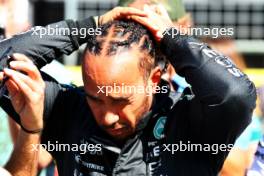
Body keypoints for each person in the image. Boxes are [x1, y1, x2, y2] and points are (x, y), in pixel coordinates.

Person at [0, 6, 256, 176]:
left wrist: (172, 40)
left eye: (120, 99)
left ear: (154, 79)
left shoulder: (190, 123)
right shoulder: (68, 110)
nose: (108, 116)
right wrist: (91, 25)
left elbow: (235, 94)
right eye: (95, 98)